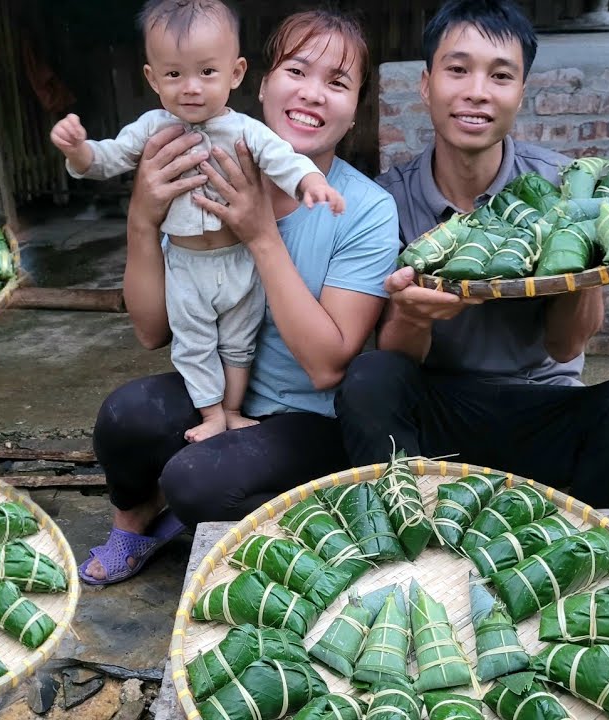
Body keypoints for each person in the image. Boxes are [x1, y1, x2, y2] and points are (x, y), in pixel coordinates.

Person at [79, 9, 400, 585]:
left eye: (338, 83)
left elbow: (327, 367)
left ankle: (282, 518)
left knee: (197, 481)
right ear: (259, 80)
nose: (312, 94)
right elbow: (152, 332)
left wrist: (259, 232)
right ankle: (136, 523)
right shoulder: (205, 166)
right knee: (126, 418)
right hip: (216, 391)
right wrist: (142, 218)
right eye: (297, 70)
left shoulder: (366, 209)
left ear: (357, 105)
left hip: (308, 418)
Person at [335, 0, 609, 521]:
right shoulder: (387, 202)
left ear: (521, 92)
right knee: (369, 379)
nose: (477, 91)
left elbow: (565, 347)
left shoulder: (567, 188)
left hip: (538, 407)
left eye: (500, 75)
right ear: (426, 84)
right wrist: (412, 313)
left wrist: (580, 258)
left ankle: (569, 542)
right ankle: (411, 532)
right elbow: (396, 362)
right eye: (457, 69)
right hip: (440, 413)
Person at [51, 0, 346, 444]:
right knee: (193, 344)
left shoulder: (246, 130)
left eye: (207, 72)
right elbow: (107, 158)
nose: (191, 87)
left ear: (236, 73)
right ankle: (211, 414)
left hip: (238, 261)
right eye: (174, 74)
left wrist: (311, 181)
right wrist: (79, 152)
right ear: (152, 78)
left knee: (239, 341)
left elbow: (281, 157)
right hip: (186, 266)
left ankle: (232, 410)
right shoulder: (151, 128)